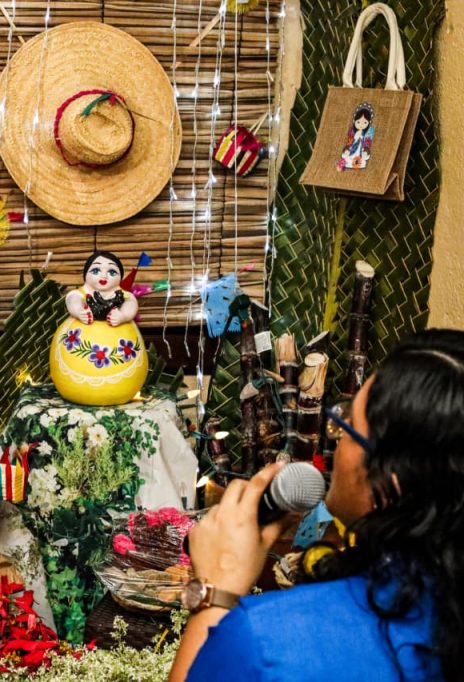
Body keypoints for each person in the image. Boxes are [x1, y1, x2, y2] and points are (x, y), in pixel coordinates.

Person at [170, 329, 464, 681]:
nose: (335, 441)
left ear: (391, 484)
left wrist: (214, 592)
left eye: (348, 428)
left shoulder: (267, 640)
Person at [64, 251, 138, 327]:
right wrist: (79, 311)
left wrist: (123, 315)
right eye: (96, 271)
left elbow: (131, 303)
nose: (104, 276)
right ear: (86, 274)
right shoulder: (81, 293)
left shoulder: (122, 294)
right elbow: (72, 299)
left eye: (112, 272)